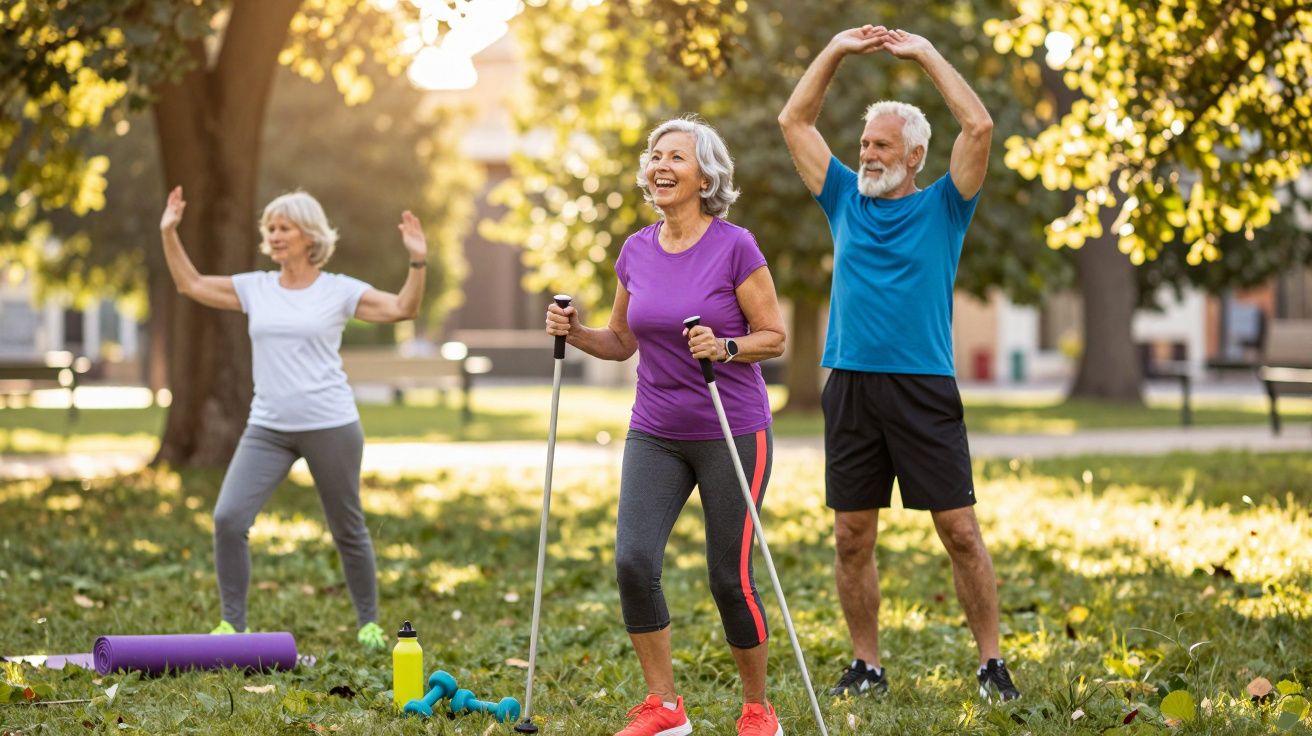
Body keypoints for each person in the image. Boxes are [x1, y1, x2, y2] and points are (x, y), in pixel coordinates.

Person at [778, 26, 1021, 702]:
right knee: (852, 534)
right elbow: (794, 119)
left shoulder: (946, 205)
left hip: (923, 386)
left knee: (961, 532)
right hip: (850, 385)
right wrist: (833, 49)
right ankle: (867, 665)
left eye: (881, 145)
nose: (867, 155)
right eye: (864, 144)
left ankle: (990, 662)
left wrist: (924, 54)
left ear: (915, 154)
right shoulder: (842, 198)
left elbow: (977, 124)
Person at [545, 117, 789, 736]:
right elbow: (622, 340)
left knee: (728, 579)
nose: (661, 166)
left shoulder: (736, 246)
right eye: (655, 156)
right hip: (655, 429)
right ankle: (665, 707)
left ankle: (758, 709)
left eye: (676, 156)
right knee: (632, 561)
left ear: (704, 175)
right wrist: (574, 333)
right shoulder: (636, 249)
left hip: (733, 430)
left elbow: (774, 337)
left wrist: (726, 347)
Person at [158, 186, 429, 651]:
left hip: (330, 424)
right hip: (268, 426)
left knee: (347, 526)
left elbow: (404, 308)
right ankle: (232, 626)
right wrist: (169, 232)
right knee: (228, 518)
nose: (275, 235)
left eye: (285, 227)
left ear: (309, 235)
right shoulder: (255, 287)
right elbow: (192, 284)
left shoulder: (338, 290)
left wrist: (418, 262)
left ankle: (368, 623)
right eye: (270, 228)